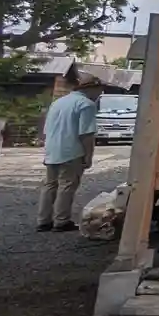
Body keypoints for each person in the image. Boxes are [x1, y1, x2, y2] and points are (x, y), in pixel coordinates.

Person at [37, 72, 102, 232]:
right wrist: (88, 156)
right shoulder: (86, 104)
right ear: (91, 88)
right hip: (72, 150)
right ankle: (61, 221)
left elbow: (46, 129)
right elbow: (86, 134)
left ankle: (43, 220)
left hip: (52, 150)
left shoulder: (58, 102)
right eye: (99, 90)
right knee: (66, 185)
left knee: (50, 185)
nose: (99, 94)